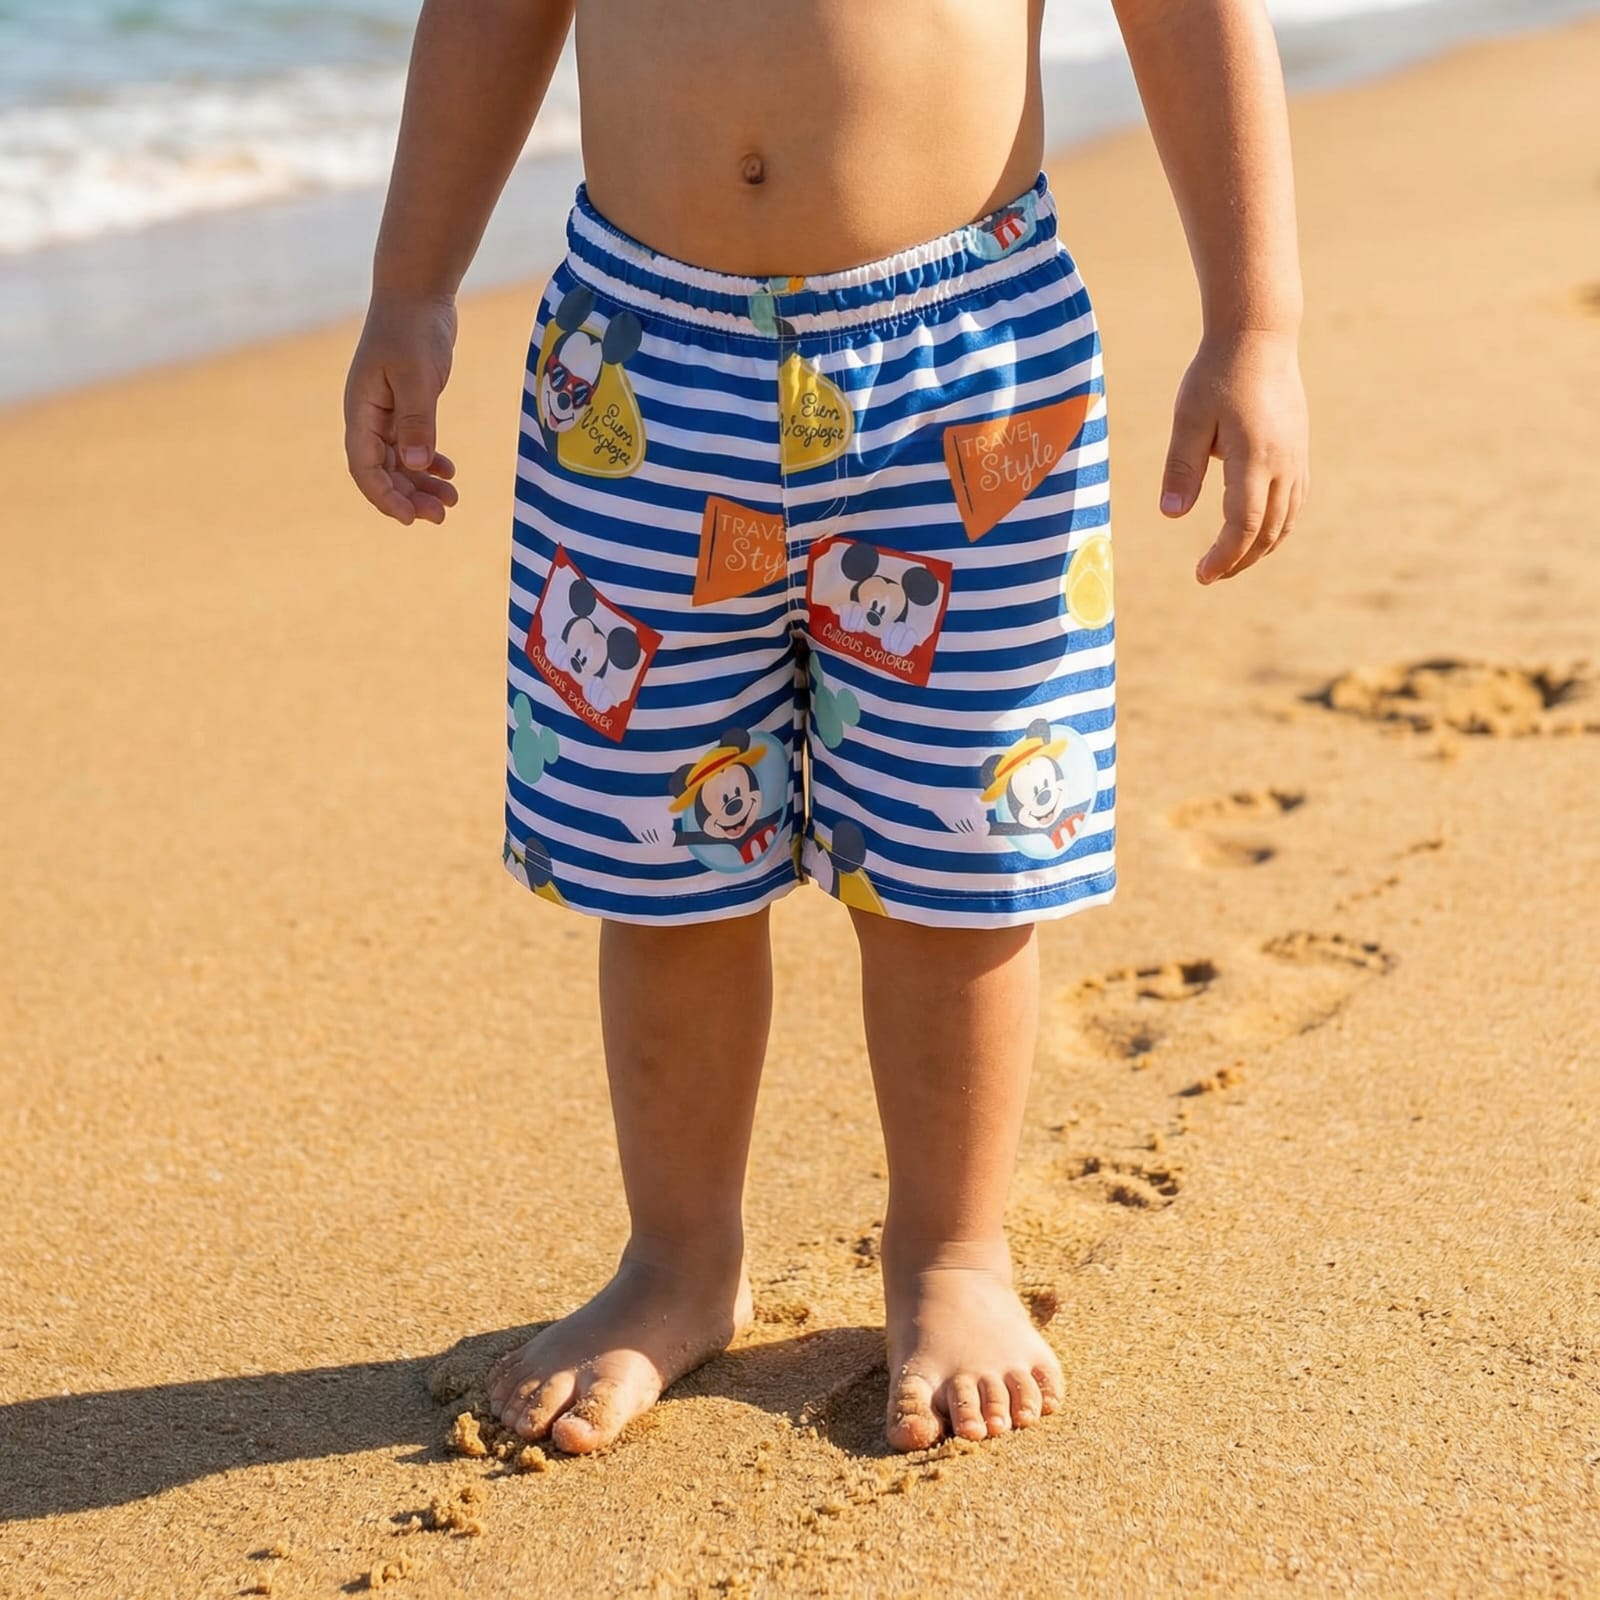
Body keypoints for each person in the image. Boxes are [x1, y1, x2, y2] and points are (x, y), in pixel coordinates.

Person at [343, 0, 1308, 1455]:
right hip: (640, 367)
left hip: (964, 367)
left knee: (953, 852)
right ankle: (678, 1259)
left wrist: (1254, 326)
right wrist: (411, 286)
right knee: (659, 861)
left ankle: (952, 1252)